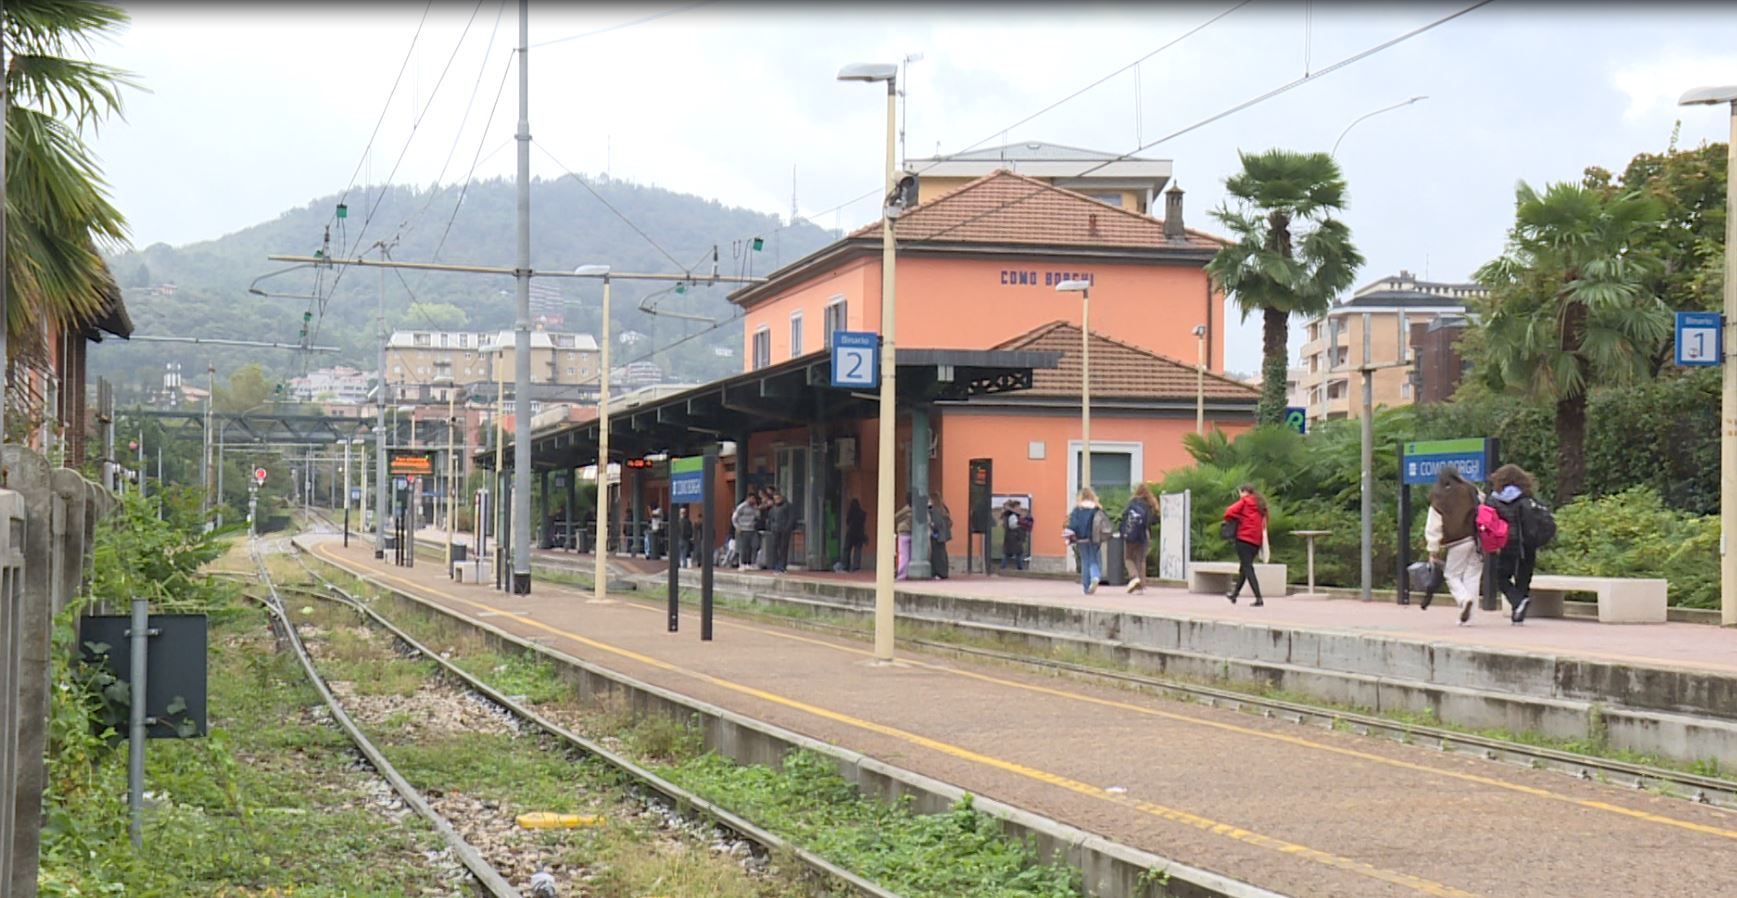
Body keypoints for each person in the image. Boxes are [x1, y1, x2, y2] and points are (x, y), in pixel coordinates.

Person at [1425, 465, 1483, 625]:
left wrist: (1433, 549)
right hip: (1476, 539)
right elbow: (1483, 506)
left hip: (1456, 542)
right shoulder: (1471, 489)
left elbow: (1433, 526)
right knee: (1473, 576)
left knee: (1451, 574)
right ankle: (1469, 618)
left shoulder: (1439, 497)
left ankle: (1464, 600)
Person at [1488, 464, 1542, 624]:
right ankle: (1518, 611)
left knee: (1502, 578)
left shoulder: (1494, 499)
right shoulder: (1527, 498)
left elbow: (1489, 521)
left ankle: (1518, 605)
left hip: (1505, 543)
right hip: (1527, 543)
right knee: (1524, 578)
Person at [1222, 484, 1270, 607]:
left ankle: (1258, 597)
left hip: (1244, 538)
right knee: (1244, 567)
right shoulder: (1260, 504)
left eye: (1240, 493)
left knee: (1247, 567)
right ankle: (1235, 594)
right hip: (1256, 541)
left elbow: (1228, 512)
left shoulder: (1245, 501)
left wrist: (1238, 518)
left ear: (1244, 492)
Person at [1065, 488, 1110, 594]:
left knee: (1085, 561)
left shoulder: (1077, 509)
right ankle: (1095, 576)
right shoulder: (1097, 508)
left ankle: (1086, 587)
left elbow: (1073, 525)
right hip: (1094, 538)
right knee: (1094, 560)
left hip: (1081, 539)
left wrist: (1070, 536)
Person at [1122, 483, 1157, 594]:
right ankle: (1142, 586)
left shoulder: (1132, 503)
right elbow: (1153, 520)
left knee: (1128, 558)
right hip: (1144, 533)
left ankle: (1134, 576)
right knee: (1141, 560)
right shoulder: (1150, 505)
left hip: (1131, 533)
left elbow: (1124, 516)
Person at [768, 490, 797, 573]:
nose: (776, 500)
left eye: (778, 498)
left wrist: (787, 528)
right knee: (775, 548)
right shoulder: (773, 508)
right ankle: (776, 565)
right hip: (775, 530)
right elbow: (770, 519)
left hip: (784, 530)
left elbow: (791, 518)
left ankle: (782, 566)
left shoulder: (788, 506)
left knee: (783, 548)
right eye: (775, 499)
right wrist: (771, 527)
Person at [731, 493, 759, 571]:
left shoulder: (754, 507)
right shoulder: (741, 507)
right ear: (748, 498)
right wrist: (737, 527)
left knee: (753, 546)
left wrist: (756, 509)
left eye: (754, 499)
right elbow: (734, 517)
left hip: (752, 529)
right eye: (752, 499)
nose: (753, 500)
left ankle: (750, 563)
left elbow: (757, 516)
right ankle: (742, 563)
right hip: (743, 529)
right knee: (744, 547)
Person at [929, 495, 952, 580]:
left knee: (936, 555)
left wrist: (931, 525)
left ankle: (938, 572)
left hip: (936, 536)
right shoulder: (944, 509)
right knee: (942, 554)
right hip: (943, 536)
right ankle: (943, 572)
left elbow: (936, 524)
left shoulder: (935, 510)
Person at [1000, 500, 1027, 572]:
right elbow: (1012, 525)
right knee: (1017, 553)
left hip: (1012, 537)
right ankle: (1020, 568)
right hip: (1014, 537)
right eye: (1018, 506)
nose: (1019, 508)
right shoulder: (1012, 515)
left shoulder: (1010, 515)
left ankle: (1003, 568)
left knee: (1010, 553)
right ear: (1014, 507)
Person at [844, 498, 867, 572]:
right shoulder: (862, 513)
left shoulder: (850, 512)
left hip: (851, 533)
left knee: (847, 550)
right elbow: (863, 524)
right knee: (857, 551)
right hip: (859, 534)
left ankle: (846, 565)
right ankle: (856, 567)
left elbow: (847, 521)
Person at [894, 503, 913, 580]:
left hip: (904, 532)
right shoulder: (917, 509)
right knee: (908, 554)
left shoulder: (906, 509)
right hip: (911, 532)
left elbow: (896, 516)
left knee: (903, 554)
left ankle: (902, 574)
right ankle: (906, 573)